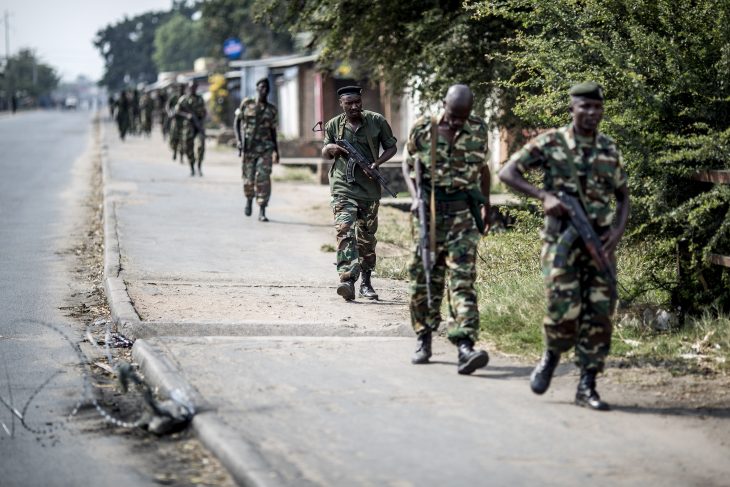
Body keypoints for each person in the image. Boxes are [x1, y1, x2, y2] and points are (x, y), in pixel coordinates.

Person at [498, 82, 630, 410]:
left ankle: (588, 384)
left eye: (596, 108)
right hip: (561, 242)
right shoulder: (552, 143)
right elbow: (508, 172)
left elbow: (624, 197)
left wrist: (617, 231)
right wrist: (544, 196)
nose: (591, 113)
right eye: (584, 107)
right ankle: (552, 356)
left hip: (599, 243)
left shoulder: (609, 149)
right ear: (572, 109)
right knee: (563, 308)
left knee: (599, 313)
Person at [402, 84, 491, 375]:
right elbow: (408, 164)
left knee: (462, 280)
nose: (456, 122)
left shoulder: (478, 129)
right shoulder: (423, 128)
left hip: (462, 215)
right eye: (453, 116)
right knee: (424, 275)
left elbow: (483, 169)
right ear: (443, 105)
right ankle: (424, 337)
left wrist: (485, 205)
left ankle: (465, 345)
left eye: (462, 117)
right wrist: (415, 196)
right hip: (428, 213)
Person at [322, 86, 397, 301]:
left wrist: (376, 163)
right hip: (342, 186)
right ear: (342, 104)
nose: (354, 106)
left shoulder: (376, 121)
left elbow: (391, 147)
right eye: (349, 103)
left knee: (366, 238)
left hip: (369, 189)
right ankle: (347, 279)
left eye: (357, 102)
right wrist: (331, 149)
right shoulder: (334, 125)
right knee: (345, 229)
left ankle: (366, 281)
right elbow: (325, 150)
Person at [235, 78, 279, 222]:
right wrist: (239, 141)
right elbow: (237, 122)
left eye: (266, 88)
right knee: (248, 179)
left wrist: (276, 151)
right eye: (261, 87)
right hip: (249, 148)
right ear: (257, 88)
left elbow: (273, 131)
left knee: (263, 178)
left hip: (265, 148)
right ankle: (249, 200)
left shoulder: (272, 109)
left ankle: (262, 209)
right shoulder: (247, 104)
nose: (264, 90)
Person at [175, 81, 207, 176]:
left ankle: (199, 167)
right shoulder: (183, 99)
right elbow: (177, 111)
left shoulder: (200, 99)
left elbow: (204, 112)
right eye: (191, 87)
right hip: (188, 127)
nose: (193, 89)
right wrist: (187, 115)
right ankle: (192, 168)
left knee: (200, 146)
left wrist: (201, 119)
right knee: (188, 148)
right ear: (188, 88)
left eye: (194, 87)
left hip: (198, 126)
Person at [167, 84, 186, 163]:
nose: (181, 90)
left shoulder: (185, 98)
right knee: (174, 138)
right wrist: (170, 113)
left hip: (183, 122)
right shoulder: (174, 97)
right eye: (180, 88)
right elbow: (168, 106)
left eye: (183, 88)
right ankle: (174, 151)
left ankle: (181, 156)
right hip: (175, 121)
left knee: (182, 140)